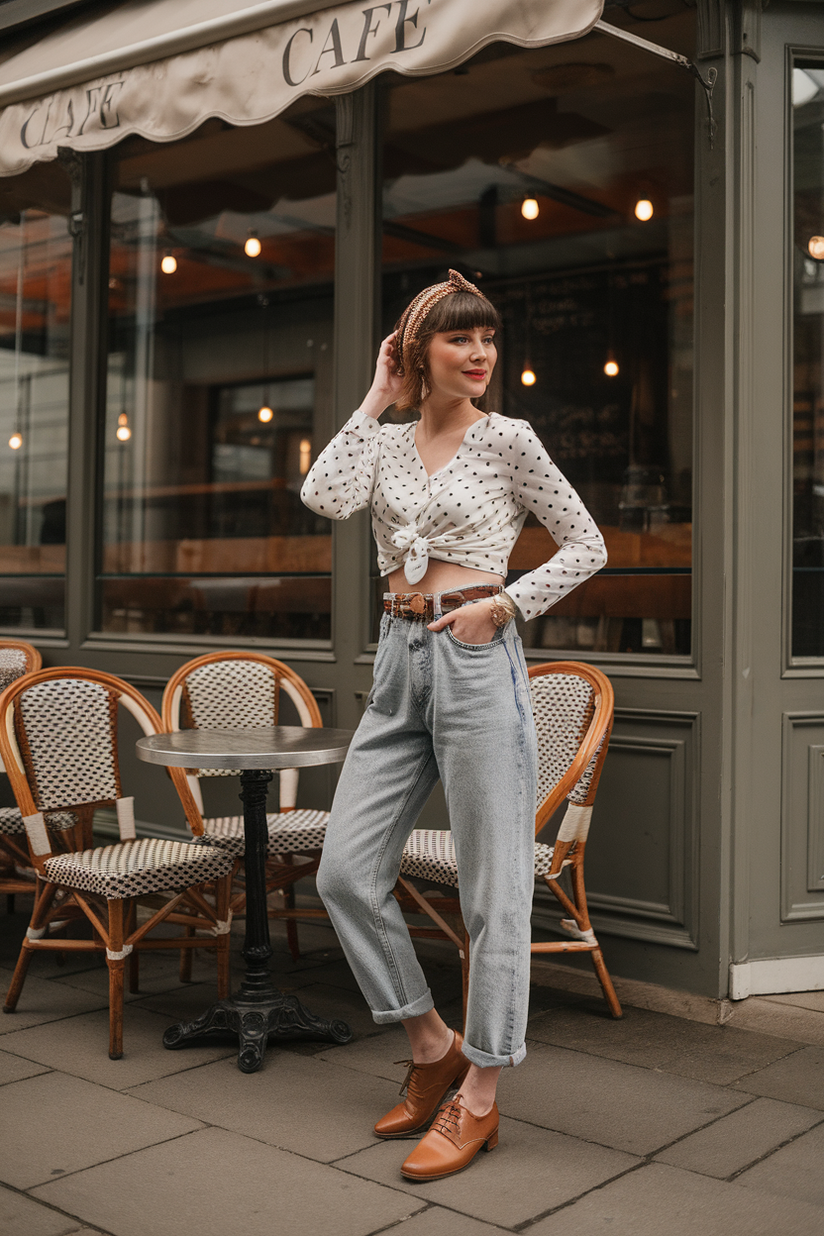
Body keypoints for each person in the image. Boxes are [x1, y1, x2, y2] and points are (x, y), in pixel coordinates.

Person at [301, 269, 606, 1181]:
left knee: (494, 891)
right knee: (346, 871)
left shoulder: (509, 439)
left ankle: (480, 1093)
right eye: (458, 341)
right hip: (397, 664)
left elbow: (588, 544)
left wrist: (504, 607)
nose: (479, 356)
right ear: (415, 351)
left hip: (476, 659)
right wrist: (373, 394)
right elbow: (324, 496)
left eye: (488, 341)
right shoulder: (388, 444)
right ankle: (430, 1043)